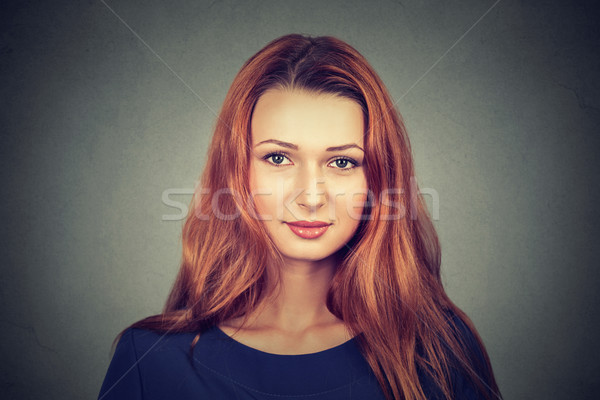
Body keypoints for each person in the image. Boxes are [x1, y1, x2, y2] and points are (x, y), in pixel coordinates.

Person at [98, 34, 502, 400]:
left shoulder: (439, 351)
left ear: (378, 180)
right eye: (278, 157)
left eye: (342, 162)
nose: (310, 197)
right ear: (237, 171)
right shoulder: (151, 359)